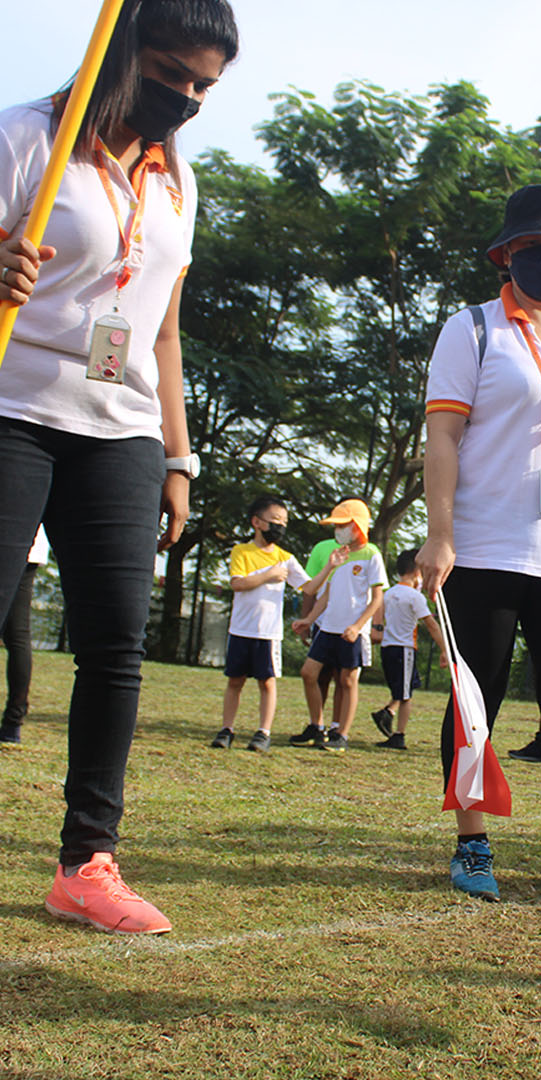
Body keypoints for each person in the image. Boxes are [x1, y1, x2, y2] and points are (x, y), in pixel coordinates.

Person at [0, 0, 238, 934]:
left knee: (115, 647)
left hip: (123, 429)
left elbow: (165, 329)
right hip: (14, 410)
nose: (185, 99)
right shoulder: (28, 137)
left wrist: (177, 455)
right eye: (173, 73)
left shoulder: (179, 179)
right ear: (121, 48)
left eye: (204, 87)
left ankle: (86, 863)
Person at [418, 183, 541, 904]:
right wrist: (439, 535)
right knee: (479, 698)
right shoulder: (471, 329)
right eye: (532, 247)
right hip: (480, 547)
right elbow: (442, 436)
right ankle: (473, 846)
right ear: (506, 254)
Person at [211, 495, 328, 752]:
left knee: (267, 682)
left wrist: (330, 566)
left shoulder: (285, 558)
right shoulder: (241, 551)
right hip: (241, 630)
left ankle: (263, 732)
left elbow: (309, 587)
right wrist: (269, 575)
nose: (280, 527)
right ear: (257, 522)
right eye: (275, 521)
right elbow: (238, 584)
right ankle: (226, 729)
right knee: (235, 681)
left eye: (284, 522)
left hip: (268, 634)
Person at [289, 499, 386, 753]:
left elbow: (377, 599)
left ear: (357, 526)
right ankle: (316, 726)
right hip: (328, 627)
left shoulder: (372, 555)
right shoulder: (339, 555)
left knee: (347, 681)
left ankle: (341, 734)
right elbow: (327, 594)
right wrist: (309, 619)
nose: (338, 530)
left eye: (343, 525)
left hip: (354, 631)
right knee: (309, 673)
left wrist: (358, 626)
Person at [370, 548, 448, 750]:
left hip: (388, 647)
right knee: (406, 696)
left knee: (407, 685)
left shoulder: (388, 594)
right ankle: (399, 734)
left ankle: (387, 713)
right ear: (417, 572)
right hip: (405, 648)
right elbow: (431, 625)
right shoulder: (415, 597)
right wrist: (444, 649)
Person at [0, 526, 48, 744]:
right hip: (30, 541)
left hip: (16, 533)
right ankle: (13, 722)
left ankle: (13, 720)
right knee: (18, 634)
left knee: (18, 636)